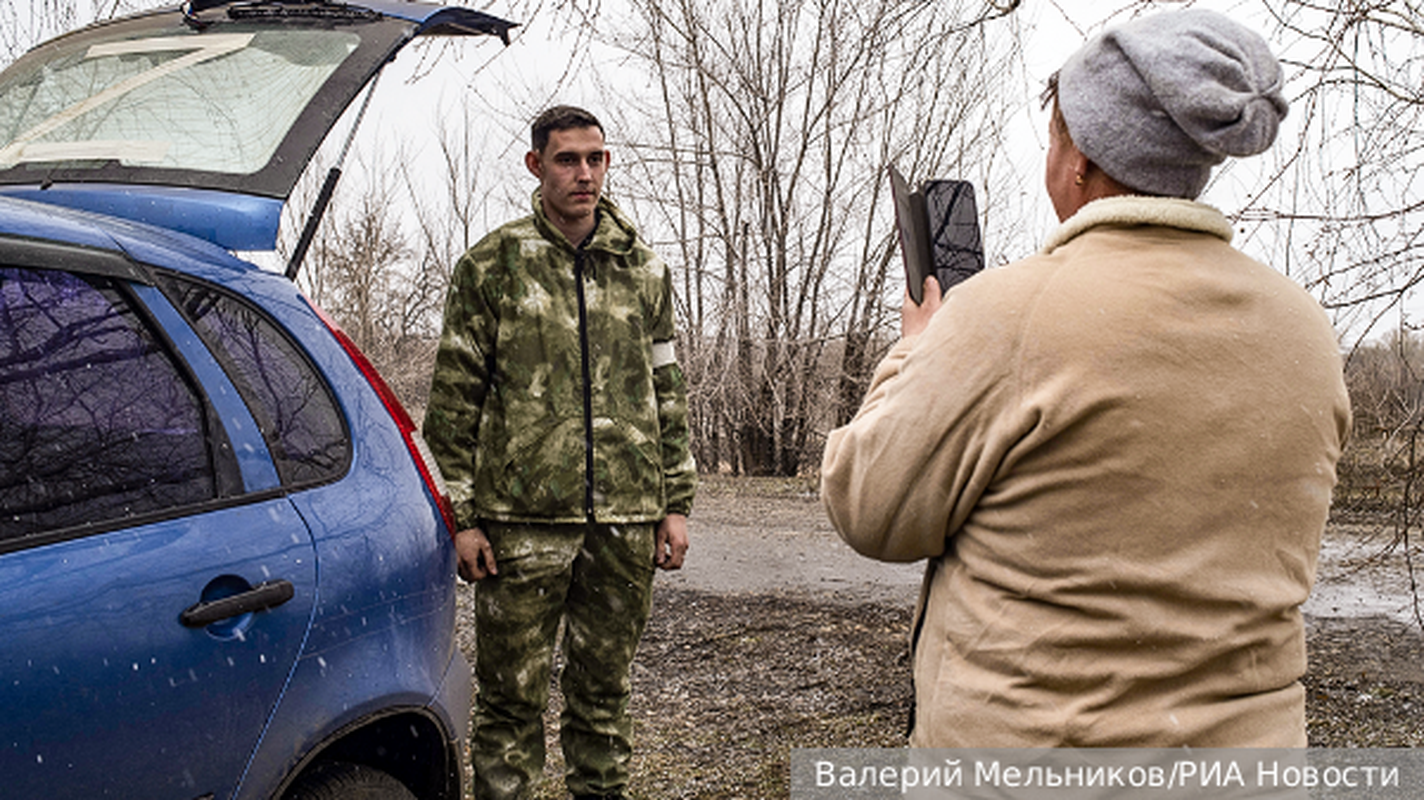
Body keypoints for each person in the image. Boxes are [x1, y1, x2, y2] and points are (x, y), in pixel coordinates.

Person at [821, 9, 1351, 748]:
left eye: (1054, 138)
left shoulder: (1003, 313)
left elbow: (871, 509)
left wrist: (919, 347)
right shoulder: (1306, 330)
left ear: (1077, 159)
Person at [423, 105, 697, 800]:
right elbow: (454, 402)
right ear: (536, 165)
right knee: (511, 704)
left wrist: (674, 504)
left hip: (625, 521)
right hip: (522, 523)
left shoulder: (643, 271)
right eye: (569, 159)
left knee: (603, 700)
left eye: (596, 159)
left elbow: (667, 390)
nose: (585, 174)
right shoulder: (493, 266)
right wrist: (463, 517)